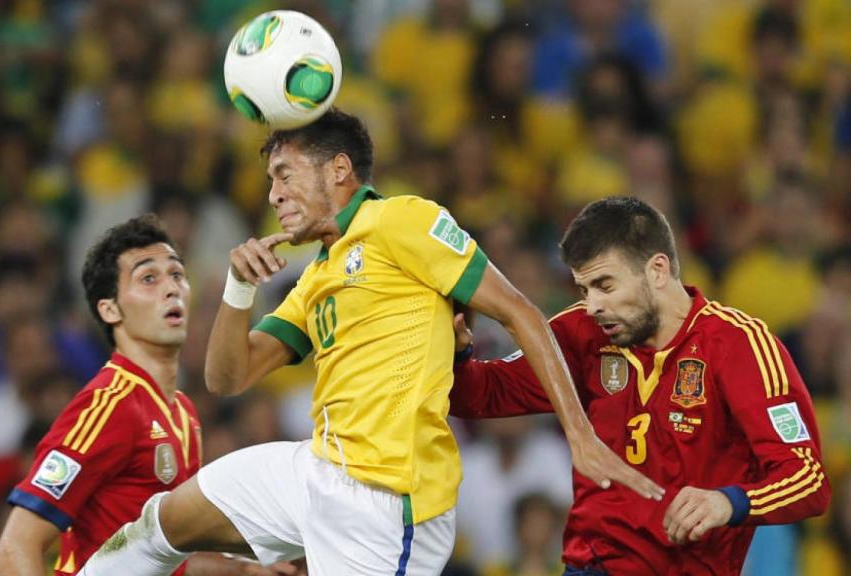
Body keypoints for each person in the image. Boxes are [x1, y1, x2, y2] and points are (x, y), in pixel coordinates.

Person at [80, 110, 661, 576]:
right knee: (161, 525)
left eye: (285, 174)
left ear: (338, 170)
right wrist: (238, 287)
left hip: (386, 504)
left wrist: (579, 436)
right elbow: (226, 378)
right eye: (270, 182)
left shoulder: (402, 220)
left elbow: (521, 313)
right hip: (318, 468)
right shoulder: (316, 276)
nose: (273, 194)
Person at [448, 196, 832, 575]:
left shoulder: (739, 345)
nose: (593, 305)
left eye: (605, 285)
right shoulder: (581, 332)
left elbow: (807, 479)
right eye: (584, 289)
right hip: (592, 566)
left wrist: (729, 502)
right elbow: (481, 396)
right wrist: (459, 357)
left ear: (657, 270)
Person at [0, 214, 300, 575]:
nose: (171, 289)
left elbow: (165, 555)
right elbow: (14, 547)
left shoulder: (182, 411)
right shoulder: (108, 405)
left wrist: (243, 571)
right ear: (110, 309)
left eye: (177, 275)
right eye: (148, 278)